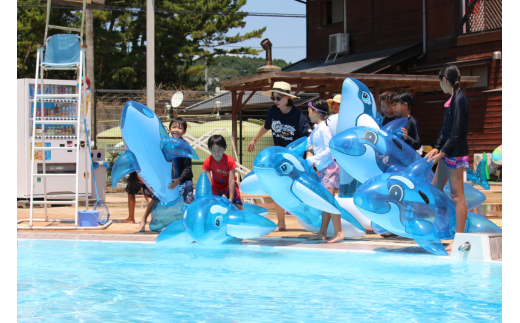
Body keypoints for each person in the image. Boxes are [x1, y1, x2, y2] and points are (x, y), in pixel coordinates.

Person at [248, 81, 312, 231]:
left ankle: (309, 220)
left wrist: (309, 154)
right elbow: (266, 125)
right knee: (276, 189)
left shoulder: (297, 115)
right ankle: (281, 223)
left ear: (287, 98)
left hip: (293, 161)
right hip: (277, 159)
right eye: (273, 98)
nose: (275, 101)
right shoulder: (273, 111)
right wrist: (254, 139)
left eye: (278, 98)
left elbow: (307, 137)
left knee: (298, 190)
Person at [425, 64, 469, 252]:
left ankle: (459, 237)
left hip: (456, 152)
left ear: (444, 80)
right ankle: (439, 228)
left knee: (457, 195)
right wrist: (436, 148)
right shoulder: (452, 99)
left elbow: (457, 132)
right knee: (435, 189)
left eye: (439, 81)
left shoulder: (460, 100)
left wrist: (442, 153)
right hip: (447, 152)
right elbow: (445, 130)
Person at [304, 98, 344, 243]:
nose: (308, 113)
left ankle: (339, 232)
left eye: (309, 111)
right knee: (326, 203)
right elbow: (309, 144)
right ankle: (322, 232)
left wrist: (312, 160)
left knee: (330, 203)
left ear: (315, 111)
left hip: (329, 169)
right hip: (323, 170)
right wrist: (309, 153)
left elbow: (329, 150)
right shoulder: (316, 129)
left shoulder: (324, 129)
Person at [203, 134, 243, 210]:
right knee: (214, 206)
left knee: (239, 207)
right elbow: (208, 182)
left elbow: (231, 181)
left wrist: (231, 199)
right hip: (216, 186)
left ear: (224, 148)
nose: (216, 153)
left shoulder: (229, 161)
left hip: (229, 186)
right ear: (210, 150)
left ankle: (243, 220)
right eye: (213, 150)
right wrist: (209, 198)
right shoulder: (208, 161)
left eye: (219, 150)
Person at [167, 117, 195, 204]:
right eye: (174, 127)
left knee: (188, 199)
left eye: (179, 128)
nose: (176, 130)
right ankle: (145, 217)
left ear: (184, 131)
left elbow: (188, 168)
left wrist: (179, 180)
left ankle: (189, 214)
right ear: (169, 129)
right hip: (170, 179)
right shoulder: (166, 145)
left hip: (184, 180)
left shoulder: (185, 147)